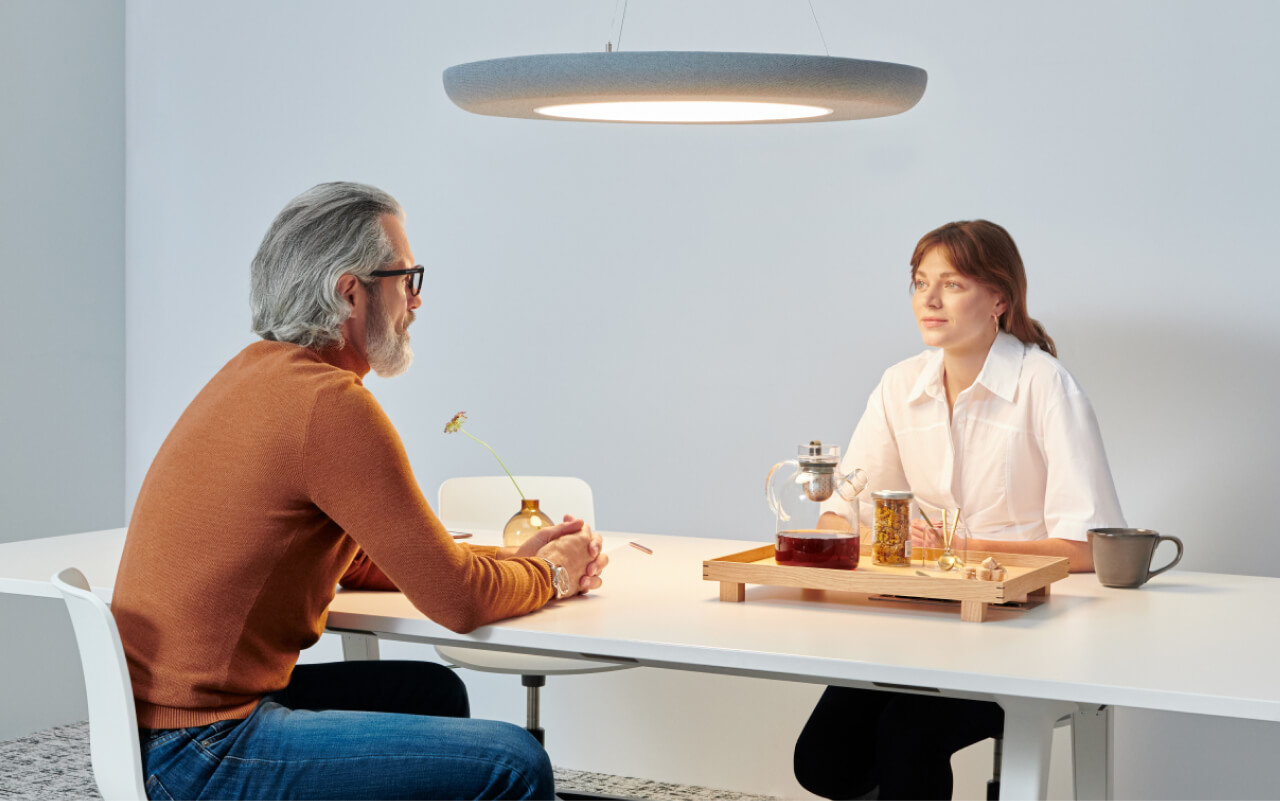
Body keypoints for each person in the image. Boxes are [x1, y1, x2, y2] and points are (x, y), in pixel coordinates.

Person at [111, 182, 607, 800]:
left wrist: (518, 561)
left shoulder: (252, 374)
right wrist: (554, 575)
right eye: (406, 279)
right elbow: (457, 602)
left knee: (430, 694)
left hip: (147, 734)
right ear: (351, 292)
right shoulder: (329, 406)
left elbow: (367, 558)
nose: (416, 302)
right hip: (201, 754)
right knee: (513, 762)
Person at [793, 219, 1125, 800]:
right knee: (823, 760)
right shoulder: (899, 386)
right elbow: (844, 511)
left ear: (999, 297)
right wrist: (845, 534)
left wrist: (962, 551)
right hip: (923, 621)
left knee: (907, 732)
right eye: (921, 283)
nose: (930, 299)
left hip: (1028, 631)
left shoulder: (1045, 385)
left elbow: (1087, 547)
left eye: (952, 284)